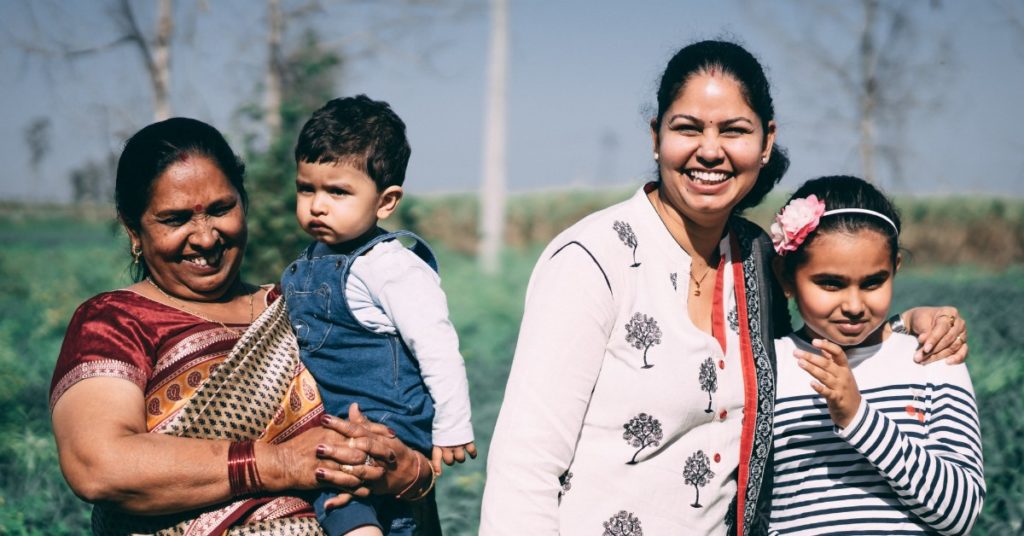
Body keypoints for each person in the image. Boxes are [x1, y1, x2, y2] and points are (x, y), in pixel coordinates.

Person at [479, 40, 968, 535]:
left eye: (733, 130)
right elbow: (526, 461)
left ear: (766, 141)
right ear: (656, 137)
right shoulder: (593, 260)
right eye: (687, 128)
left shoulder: (758, 259)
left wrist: (910, 325)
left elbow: (817, 330)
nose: (709, 150)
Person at [50, 117, 438, 535]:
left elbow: (407, 433)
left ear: (244, 204)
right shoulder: (115, 321)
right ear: (134, 231)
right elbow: (98, 466)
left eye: (221, 209)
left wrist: (402, 471)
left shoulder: (304, 310)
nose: (204, 237)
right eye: (175, 219)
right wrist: (280, 463)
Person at [281, 95, 475, 536]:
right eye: (306, 188)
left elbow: (437, 345)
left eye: (338, 191)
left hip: (391, 426)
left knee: (364, 506)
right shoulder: (310, 259)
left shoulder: (390, 265)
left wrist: (453, 424)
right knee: (338, 495)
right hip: (333, 425)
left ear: (386, 202)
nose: (317, 205)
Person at [768, 176, 983, 535]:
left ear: (895, 267)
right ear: (786, 277)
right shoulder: (765, 369)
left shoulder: (933, 357)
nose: (854, 305)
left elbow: (959, 515)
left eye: (872, 283)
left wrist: (857, 416)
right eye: (830, 284)